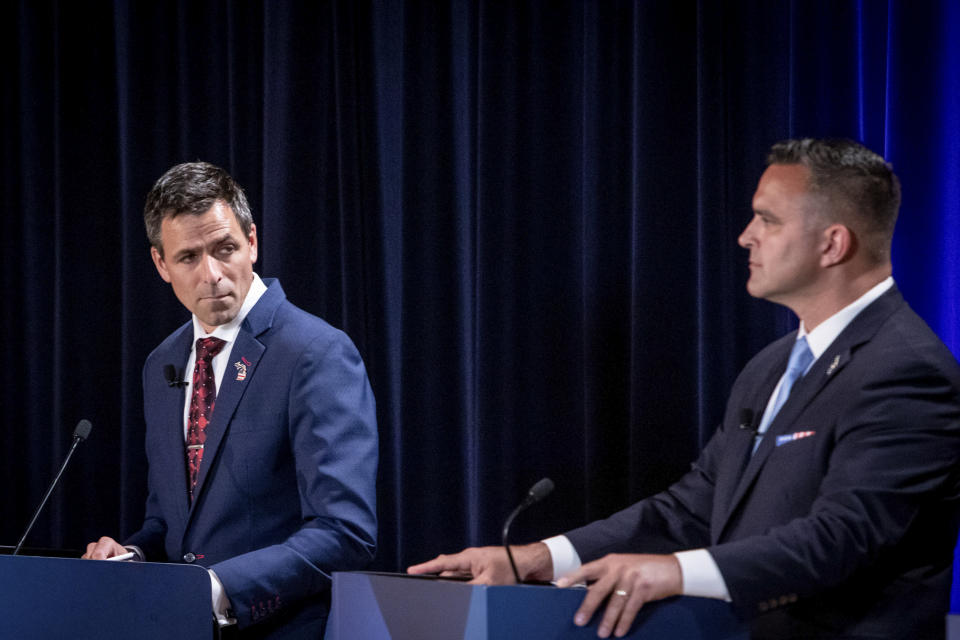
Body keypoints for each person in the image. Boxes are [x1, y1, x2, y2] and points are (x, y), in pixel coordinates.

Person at [409, 139, 960, 639]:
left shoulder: (907, 373)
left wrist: (674, 571)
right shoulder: (770, 366)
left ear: (833, 243)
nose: (747, 235)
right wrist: (539, 558)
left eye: (767, 220)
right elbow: (692, 508)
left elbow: (842, 537)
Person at [83, 162, 378, 639]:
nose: (212, 274)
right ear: (160, 264)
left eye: (225, 250)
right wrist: (132, 557)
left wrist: (220, 587)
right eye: (189, 258)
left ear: (253, 242)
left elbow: (345, 531)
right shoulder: (162, 364)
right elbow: (172, 523)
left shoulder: (315, 352)